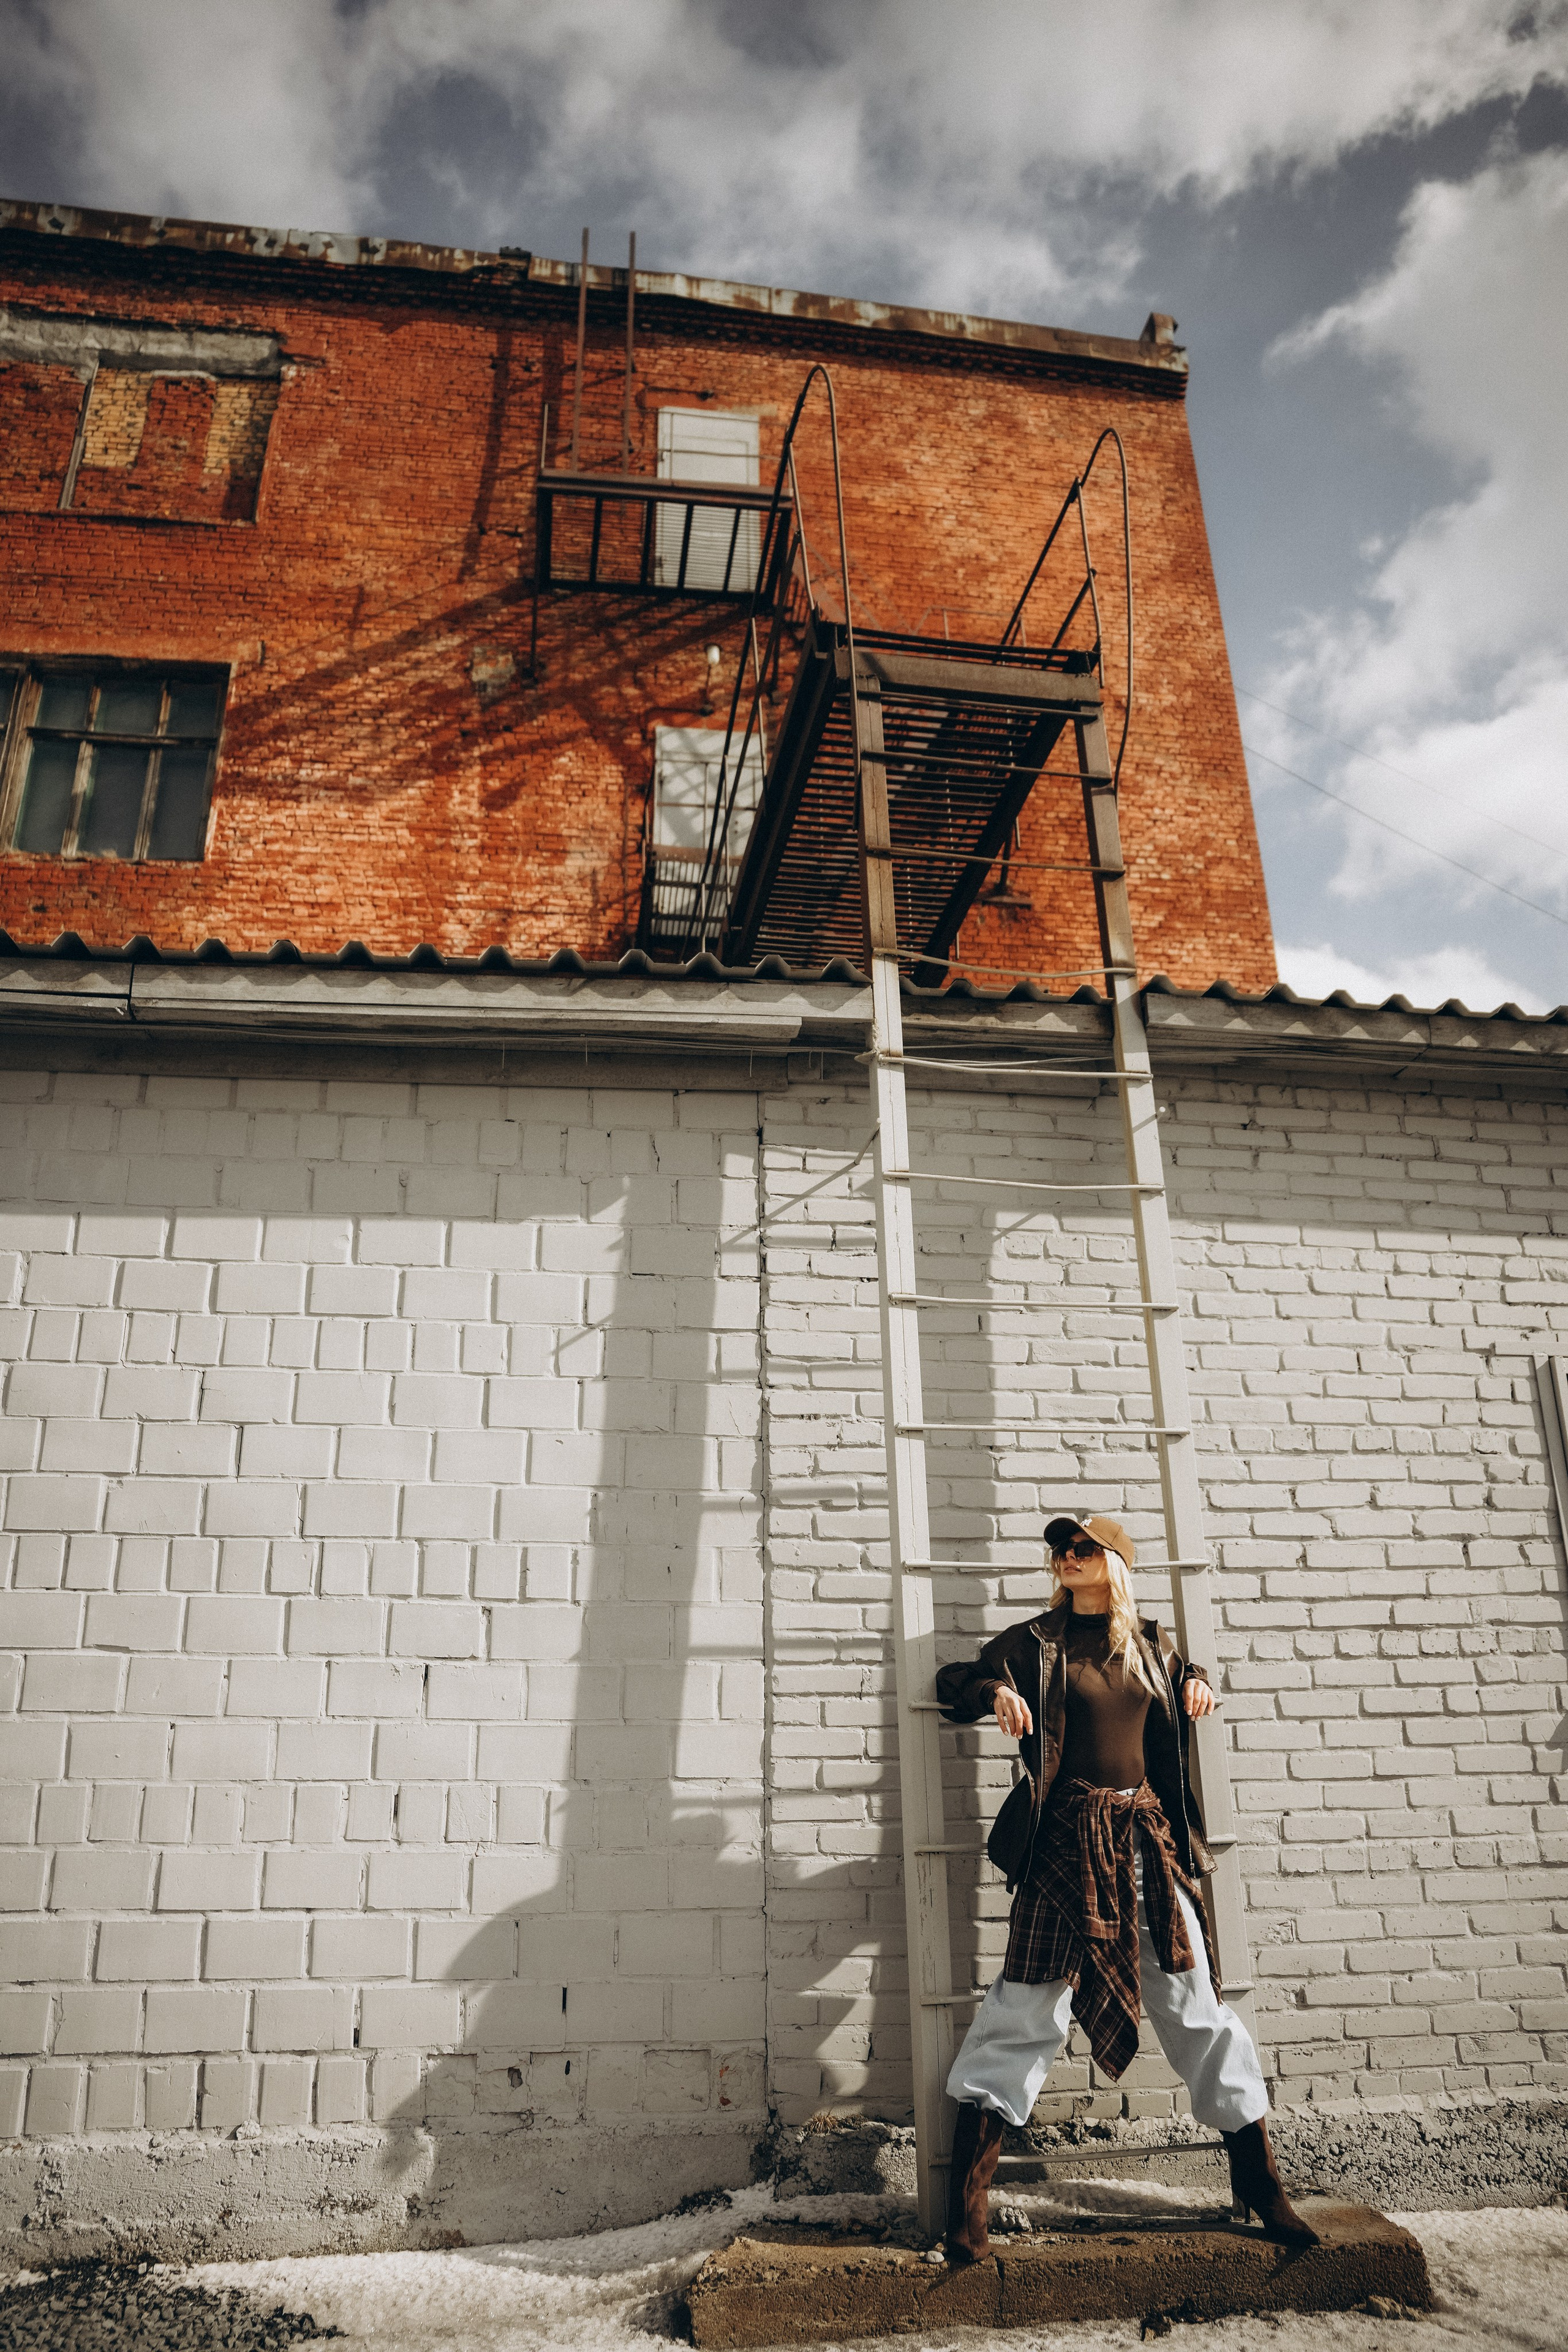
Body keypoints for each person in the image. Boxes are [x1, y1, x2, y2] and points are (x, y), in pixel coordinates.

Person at [934, 1510, 1316, 2265]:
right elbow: (953, 1681)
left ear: (1115, 1562)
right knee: (1023, 2010)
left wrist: (1199, 1680)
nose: (1066, 1557)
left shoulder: (1150, 1644)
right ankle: (966, 2206)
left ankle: (1262, 2185)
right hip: (1062, 1848)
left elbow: (1181, 1682)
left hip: (1146, 1842)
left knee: (1196, 2010)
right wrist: (991, 1693)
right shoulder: (1035, 1643)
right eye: (1058, 1549)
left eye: (1082, 1548)